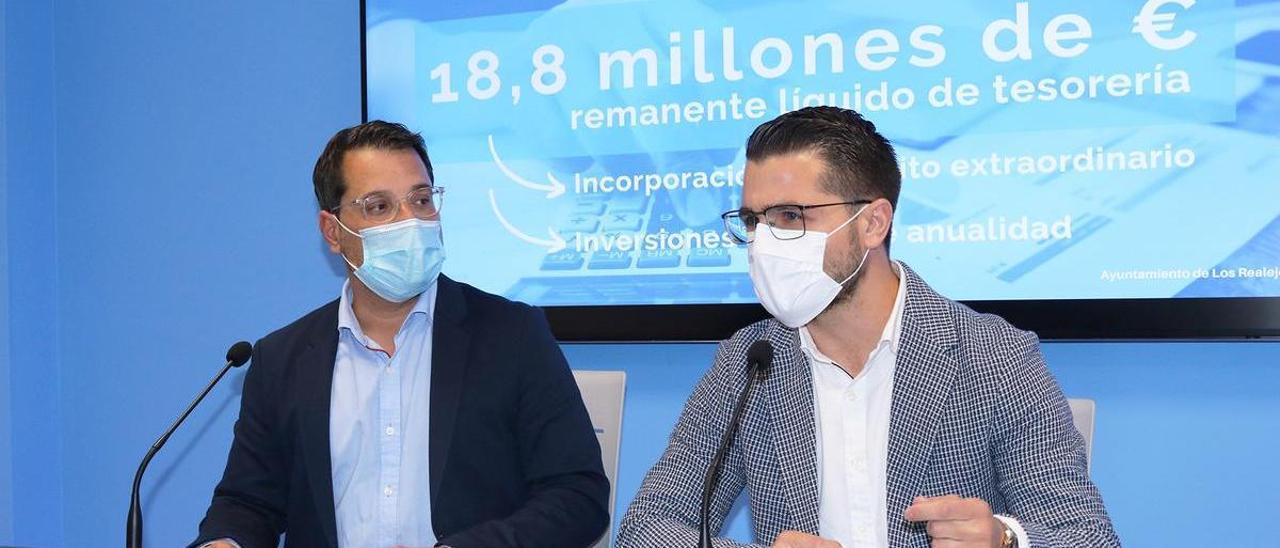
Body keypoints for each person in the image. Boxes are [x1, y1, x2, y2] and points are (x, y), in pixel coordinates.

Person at [618, 107, 1119, 548]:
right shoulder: (750, 360)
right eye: (753, 220)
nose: (765, 242)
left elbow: (1088, 536)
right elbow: (647, 528)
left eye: (791, 216)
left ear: (874, 223)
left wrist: (1007, 540)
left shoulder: (992, 354)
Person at [193, 121, 609, 548]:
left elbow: (578, 495)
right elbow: (247, 503)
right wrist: (225, 542)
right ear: (333, 231)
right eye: (379, 206)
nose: (410, 220)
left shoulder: (513, 336)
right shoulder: (282, 359)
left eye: (421, 200)